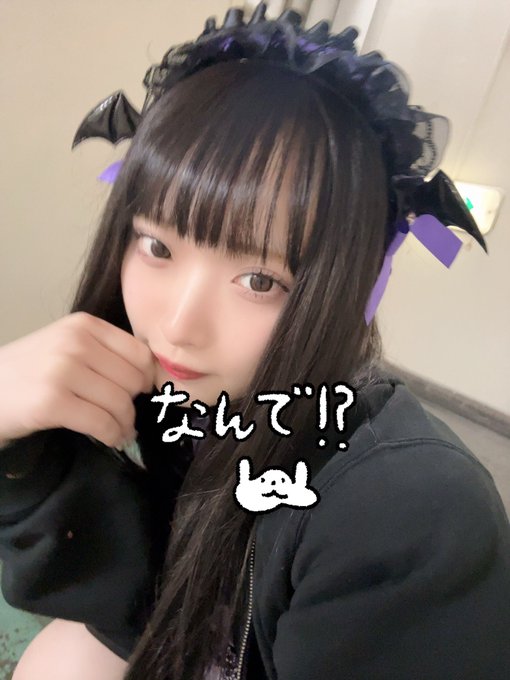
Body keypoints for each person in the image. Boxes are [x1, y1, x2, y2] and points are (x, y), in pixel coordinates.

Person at [1, 3, 509, 679]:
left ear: (349, 287)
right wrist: (20, 450)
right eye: (157, 246)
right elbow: (132, 596)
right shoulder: (198, 402)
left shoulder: (412, 512)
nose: (178, 324)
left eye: (259, 280)